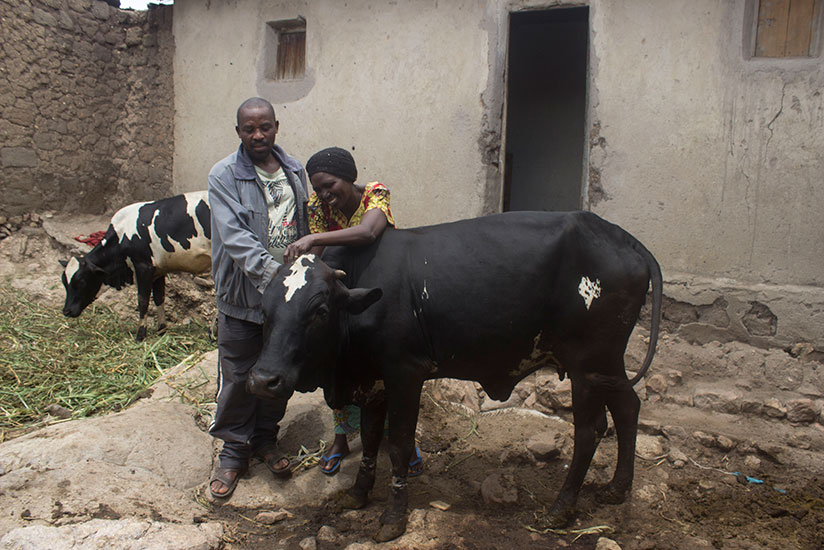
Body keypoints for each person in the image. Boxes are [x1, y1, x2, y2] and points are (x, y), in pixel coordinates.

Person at [283, 147, 423, 477]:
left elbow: (369, 232)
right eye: (317, 188)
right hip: (343, 290)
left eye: (330, 184)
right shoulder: (317, 206)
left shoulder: (375, 193)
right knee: (340, 365)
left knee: (387, 367)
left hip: (380, 290)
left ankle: (399, 439)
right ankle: (341, 438)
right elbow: (319, 256)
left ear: (349, 177)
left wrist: (312, 237)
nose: (324, 193)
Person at [207, 97, 311, 499]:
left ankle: (266, 438)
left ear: (276, 127)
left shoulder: (295, 170)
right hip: (244, 293)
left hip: (284, 299)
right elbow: (235, 238)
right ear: (238, 133)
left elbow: (305, 224)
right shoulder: (224, 175)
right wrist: (280, 279)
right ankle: (234, 452)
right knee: (237, 374)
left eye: (264, 127)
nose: (257, 135)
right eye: (249, 129)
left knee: (276, 371)